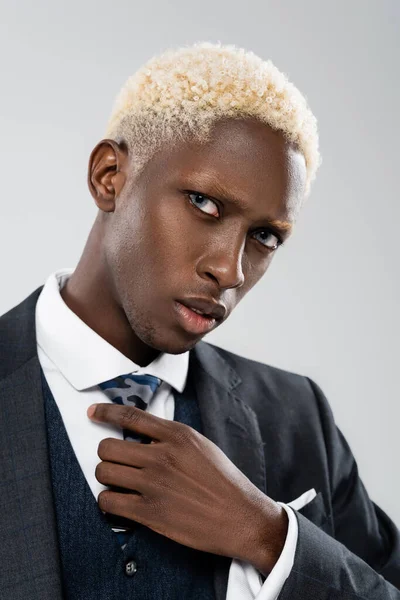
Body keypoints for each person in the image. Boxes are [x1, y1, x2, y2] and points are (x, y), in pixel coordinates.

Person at [0, 41, 399, 600]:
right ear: (109, 176)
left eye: (264, 237)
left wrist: (270, 535)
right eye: (205, 204)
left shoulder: (296, 418)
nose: (229, 270)